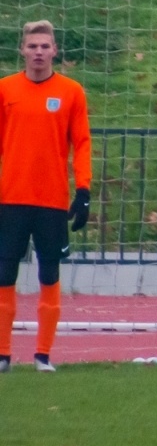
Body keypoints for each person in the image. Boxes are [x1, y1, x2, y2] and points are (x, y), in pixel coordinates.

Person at [0, 21, 92, 374]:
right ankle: (4, 354)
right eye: (32, 46)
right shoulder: (6, 89)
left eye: (44, 46)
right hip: (11, 199)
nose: (38, 52)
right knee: (5, 272)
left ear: (55, 51)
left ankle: (42, 356)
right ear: (22, 51)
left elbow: (82, 143)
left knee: (49, 274)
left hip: (52, 202)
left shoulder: (71, 92)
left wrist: (83, 189)